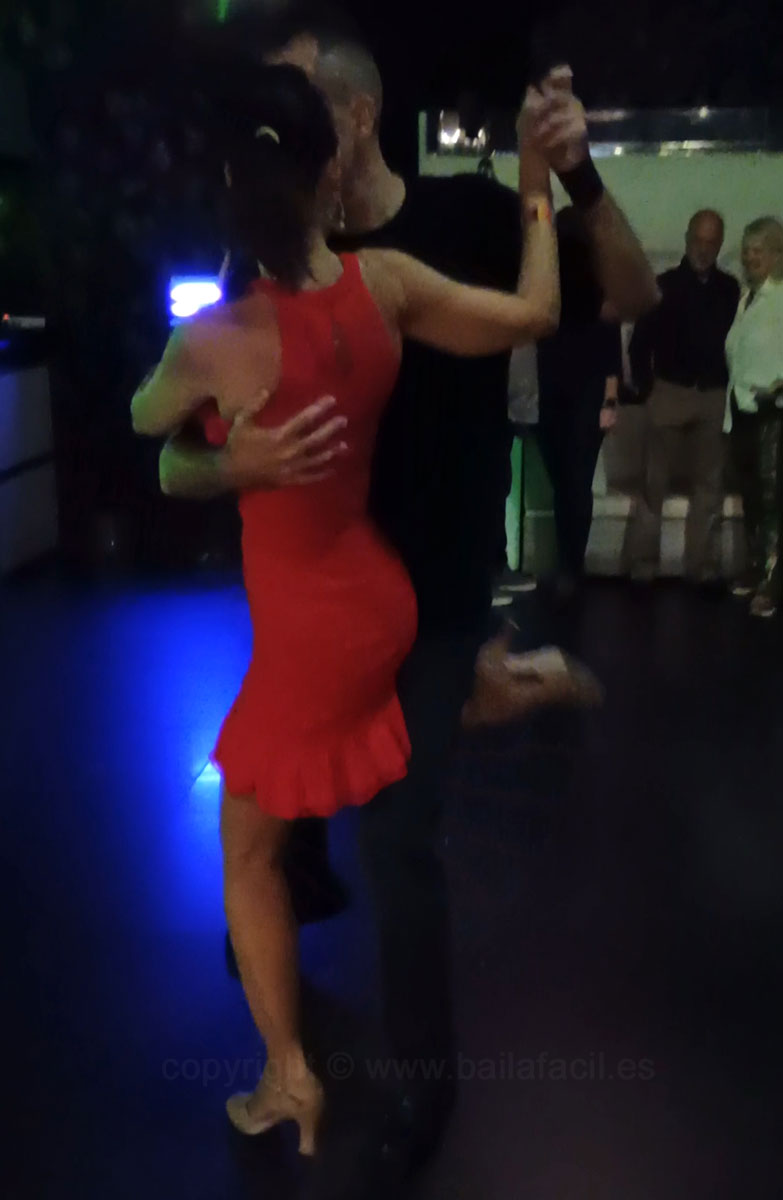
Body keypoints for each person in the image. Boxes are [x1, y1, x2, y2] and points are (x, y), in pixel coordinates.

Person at [157, 14, 658, 1179]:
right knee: (284, 836)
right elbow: (179, 446)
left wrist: (571, 176)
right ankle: (489, 693)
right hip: (313, 611)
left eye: (295, 113)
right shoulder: (272, 254)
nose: (273, 140)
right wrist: (228, 463)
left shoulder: (464, 220)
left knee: (395, 839)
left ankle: (426, 1087)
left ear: (358, 116)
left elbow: (627, 292)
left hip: (428, 594)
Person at [627, 210, 740, 585]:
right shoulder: (664, 285)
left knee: (709, 487)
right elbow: (639, 343)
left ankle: (703, 569)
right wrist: (648, 389)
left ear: (720, 245)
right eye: (698, 240)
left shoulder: (731, 290)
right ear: (687, 237)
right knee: (652, 486)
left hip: (713, 396)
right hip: (669, 393)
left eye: (711, 242)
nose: (703, 249)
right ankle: (643, 568)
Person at [535, 204, 624, 601]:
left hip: (559, 391)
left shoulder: (552, 288)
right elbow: (610, 351)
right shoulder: (596, 290)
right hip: (576, 393)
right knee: (573, 483)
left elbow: (609, 351)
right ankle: (571, 566)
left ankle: (570, 567)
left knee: (567, 483)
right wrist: (610, 400)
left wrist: (610, 400)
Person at [725, 216, 783, 618]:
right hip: (743, 410)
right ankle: (755, 567)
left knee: (773, 499)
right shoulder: (747, 297)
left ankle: (773, 584)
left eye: (758, 250)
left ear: (778, 255)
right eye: (746, 250)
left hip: (773, 413)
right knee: (752, 497)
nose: (749, 257)